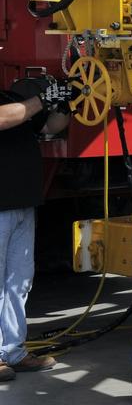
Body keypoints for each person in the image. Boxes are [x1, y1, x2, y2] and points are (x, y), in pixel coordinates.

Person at [0, 77, 72, 381]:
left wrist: (66, 101)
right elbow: (6, 117)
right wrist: (43, 98)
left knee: (18, 282)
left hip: (22, 205)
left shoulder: (9, 96)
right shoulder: (12, 106)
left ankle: (13, 351)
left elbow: (49, 127)